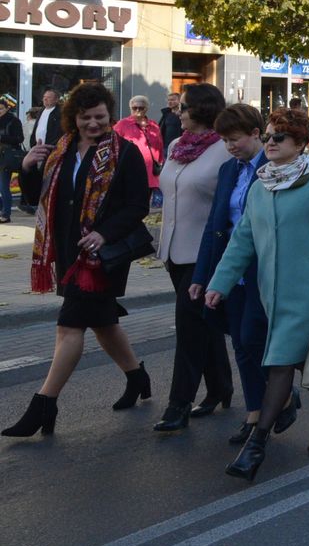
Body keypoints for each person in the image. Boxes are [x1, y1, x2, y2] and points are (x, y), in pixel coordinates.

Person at [205, 108, 309, 481]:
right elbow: (242, 241)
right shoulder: (261, 186)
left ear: (301, 143)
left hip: (308, 293)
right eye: (268, 136)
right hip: (270, 292)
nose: (270, 142)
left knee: (280, 363)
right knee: (302, 359)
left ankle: (256, 447)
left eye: (279, 137)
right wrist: (220, 283)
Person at [4, 82, 152, 439]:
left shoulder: (125, 153)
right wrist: (27, 167)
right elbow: (36, 198)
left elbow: (138, 206)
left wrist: (104, 233)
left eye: (100, 116)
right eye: (86, 117)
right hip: (68, 250)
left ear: (109, 115)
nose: (93, 123)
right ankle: (137, 378)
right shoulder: (62, 149)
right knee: (103, 324)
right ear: (74, 117)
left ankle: (44, 404)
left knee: (69, 327)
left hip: (100, 256)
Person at [152, 83, 236, 432]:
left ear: (202, 109)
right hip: (174, 250)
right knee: (205, 324)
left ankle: (179, 404)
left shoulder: (224, 150)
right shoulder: (176, 146)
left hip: (206, 255)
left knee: (188, 327)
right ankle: (220, 387)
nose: (178, 112)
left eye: (183, 106)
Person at [191, 104, 275, 448]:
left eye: (234, 139)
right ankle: (255, 411)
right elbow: (215, 224)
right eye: (224, 140)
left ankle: (288, 396)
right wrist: (203, 275)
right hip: (233, 271)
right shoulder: (229, 170)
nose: (229, 146)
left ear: (255, 133)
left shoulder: (273, 167)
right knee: (240, 343)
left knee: (257, 340)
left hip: (265, 270)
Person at [116, 94, 165, 206]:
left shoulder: (153, 125)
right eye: (135, 108)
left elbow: (160, 145)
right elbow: (114, 144)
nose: (137, 110)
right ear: (130, 108)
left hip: (150, 172)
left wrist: (160, 162)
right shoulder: (122, 124)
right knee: (132, 203)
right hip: (131, 171)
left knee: (145, 204)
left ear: (146, 109)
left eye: (141, 108)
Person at [19, 86, 61, 215]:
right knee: (31, 174)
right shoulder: (42, 111)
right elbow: (37, 128)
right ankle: (29, 202)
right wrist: (33, 144)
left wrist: (51, 146)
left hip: (49, 150)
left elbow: (58, 131)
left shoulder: (59, 113)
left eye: (49, 97)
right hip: (36, 149)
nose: (45, 100)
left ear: (56, 99)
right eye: (44, 97)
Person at [0, 95, 22, 223]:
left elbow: (19, 138)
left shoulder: (13, 121)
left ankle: (6, 214)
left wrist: (2, 138)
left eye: (1, 109)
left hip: (6, 157)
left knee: (4, 186)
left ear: (7, 108)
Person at [160, 91, 183, 155]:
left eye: (173, 100)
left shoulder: (183, 114)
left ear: (179, 101)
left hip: (179, 146)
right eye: (169, 100)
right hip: (166, 147)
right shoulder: (166, 114)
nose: (170, 102)